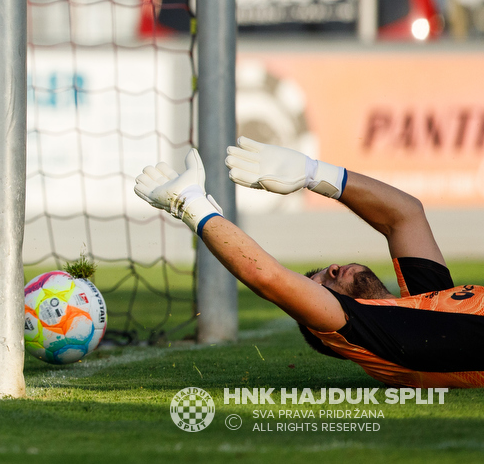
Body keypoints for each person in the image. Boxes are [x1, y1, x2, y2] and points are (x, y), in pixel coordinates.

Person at [134, 138, 484, 388]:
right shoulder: (378, 337)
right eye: (324, 287)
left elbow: (406, 216)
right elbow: (267, 277)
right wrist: (190, 205)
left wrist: (313, 173)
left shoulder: (424, 307)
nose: (332, 270)